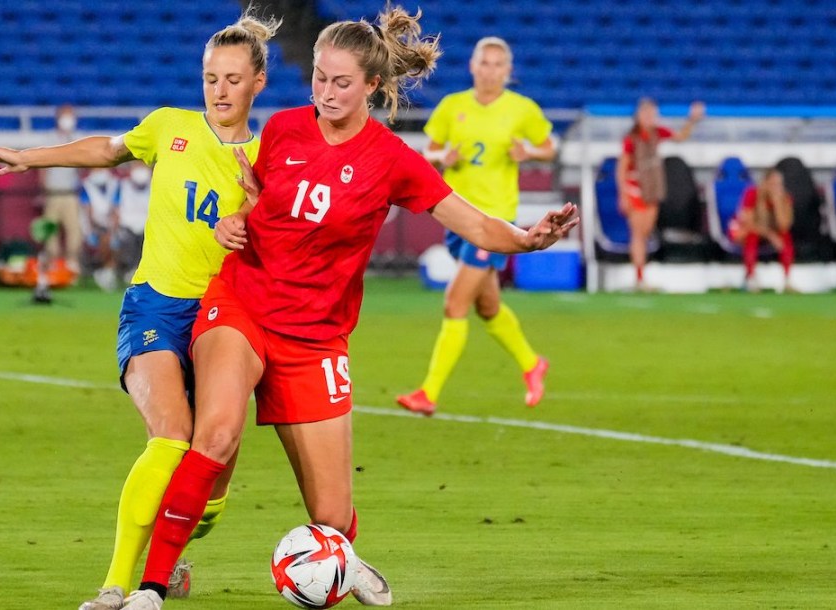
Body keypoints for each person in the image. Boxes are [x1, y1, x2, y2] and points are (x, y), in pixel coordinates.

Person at [121, 8, 578, 610]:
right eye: (318, 77)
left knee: (333, 516)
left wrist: (525, 237)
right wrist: (238, 218)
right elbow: (253, 200)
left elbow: (468, 219)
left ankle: (340, 559)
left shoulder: (390, 159)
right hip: (243, 304)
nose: (326, 93)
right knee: (217, 433)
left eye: (341, 83)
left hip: (316, 337)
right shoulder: (283, 129)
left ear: (371, 86)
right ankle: (151, 587)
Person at [0, 12, 279, 610]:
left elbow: (289, 238)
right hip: (157, 306)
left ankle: (178, 547)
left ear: (258, 83)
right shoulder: (170, 127)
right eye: (210, 77)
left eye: (232, 79)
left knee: (210, 475)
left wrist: (253, 212)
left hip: (230, 318)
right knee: (172, 437)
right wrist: (31, 158)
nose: (219, 90)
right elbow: (106, 150)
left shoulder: (272, 155)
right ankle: (116, 586)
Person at [396, 36, 558, 415]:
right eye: (484, 63)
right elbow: (428, 152)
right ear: (472, 66)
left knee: (455, 303)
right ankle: (533, 364)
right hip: (458, 217)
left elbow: (550, 146)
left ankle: (428, 393)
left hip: (496, 221)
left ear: (508, 71)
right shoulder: (453, 107)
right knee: (487, 307)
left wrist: (529, 152)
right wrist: (442, 156)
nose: (490, 70)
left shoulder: (522, 109)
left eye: (498, 64)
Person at [615, 97, 705, 291]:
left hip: (652, 189)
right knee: (638, 234)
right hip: (635, 189)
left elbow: (680, 137)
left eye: (652, 114)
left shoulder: (657, 133)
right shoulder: (631, 139)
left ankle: (641, 275)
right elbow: (622, 168)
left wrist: (692, 120)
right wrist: (622, 194)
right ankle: (639, 278)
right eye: (645, 113)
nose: (649, 117)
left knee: (646, 233)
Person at [35, 104, 86, 302]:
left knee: (75, 231)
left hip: (71, 193)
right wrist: (42, 189)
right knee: (50, 233)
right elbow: (43, 165)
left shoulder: (79, 137)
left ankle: (71, 268)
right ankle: (52, 271)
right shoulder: (50, 139)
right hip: (53, 192)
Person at [728, 167, 795, 292]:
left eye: (778, 184)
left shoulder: (784, 198)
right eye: (772, 184)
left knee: (785, 237)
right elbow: (748, 223)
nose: (775, 187)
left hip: (767, 233)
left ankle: (787, 279)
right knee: (751, 236)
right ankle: (751, 278)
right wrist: (770, 235)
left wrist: (777, 204)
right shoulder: (752, 194)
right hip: (747, 231)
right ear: (764, 183)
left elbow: (784, 226)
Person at [79, 167, 122, 292]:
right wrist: (96, 227)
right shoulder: (86, 185)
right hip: (92, 226)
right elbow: (89, 212)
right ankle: (104, 270)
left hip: (111, 225)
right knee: (105, 239)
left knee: (113, 240)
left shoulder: (114, 183)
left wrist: (113, 226)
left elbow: (116, 209)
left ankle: (109, 272)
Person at [113, 162, 152, 287]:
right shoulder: (123, 186)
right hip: (127, 225)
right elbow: (116, 208)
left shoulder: (154, 185)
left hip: (148, 226)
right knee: (125, 244)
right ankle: (122, 271)